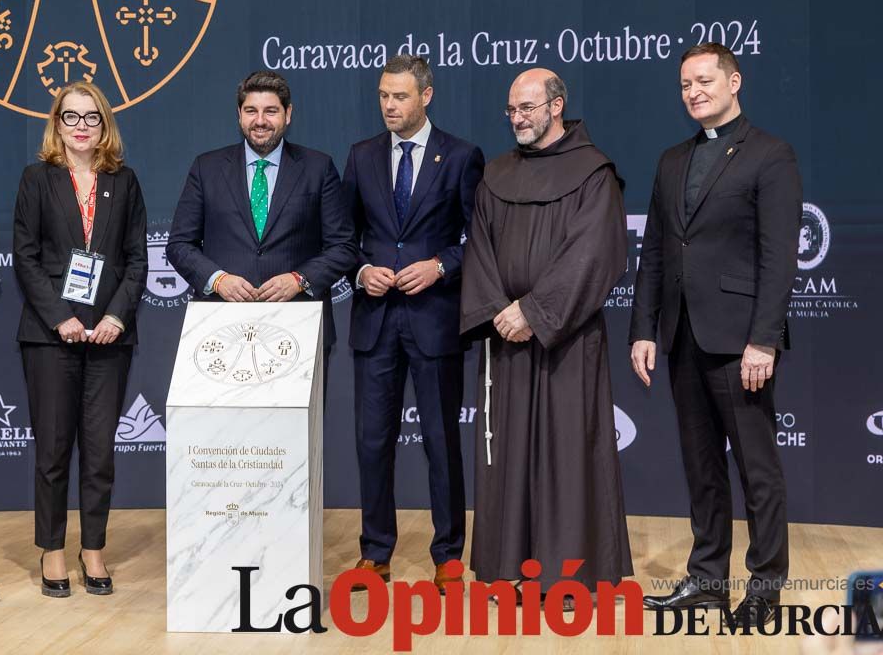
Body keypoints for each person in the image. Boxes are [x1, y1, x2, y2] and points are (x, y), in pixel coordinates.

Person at [631, 43, 801, 625]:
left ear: (735, 82)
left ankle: (765, 585)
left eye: (704, 80)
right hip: (681, 335)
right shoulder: (671, 159)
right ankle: (707, 579)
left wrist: (764, 339)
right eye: (684, 84)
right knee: (700, 467)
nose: (693, 92)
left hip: (739, 340)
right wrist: (643, 329)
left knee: (757, 468)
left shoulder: (771, 155)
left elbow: (779, 259)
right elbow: (653, 251)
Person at [460, 69, 633, 606]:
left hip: (567, 339)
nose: (517, 118)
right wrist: (499, 311)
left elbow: (594, 254)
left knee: (567, 455)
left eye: (528, 108)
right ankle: (508, 570)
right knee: (505, 457)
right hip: (506, 339)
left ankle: (566, 578)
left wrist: (536, 311)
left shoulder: (593, 172)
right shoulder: (496, 173)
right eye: (511, 110)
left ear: (556, 106)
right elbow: (479, 251)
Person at [341, 55, 484, 593]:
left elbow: (479, 239)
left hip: (435, 318)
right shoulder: (361, 156)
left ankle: (448, 554)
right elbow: (343, 237)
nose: (389, 106)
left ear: (426, 96)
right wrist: (361, 270)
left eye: (399, 97)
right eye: (383, 96)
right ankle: (375, 553)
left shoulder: (463, 156)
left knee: (442, 441)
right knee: (371, 441)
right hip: (375, 320)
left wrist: (442, 265)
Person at [13, 81, 148, 598]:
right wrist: (59, 318)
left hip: (110, 336)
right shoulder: (36, 179)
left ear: (105, 124)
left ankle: (93, 547)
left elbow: (137, 259)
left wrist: (115, 316)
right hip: (52, 338)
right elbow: (25, 256)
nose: (82, 127)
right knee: (52, 451)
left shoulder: (124, 181)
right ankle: (52, 549)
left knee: (99, 453)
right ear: (57, 124)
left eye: (92, 118)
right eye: (71, 117)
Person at [166, 70, 356, 370]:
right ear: (239, 115)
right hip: (221, 327)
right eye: (251, 111)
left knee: (297, 419)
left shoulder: (318, 168)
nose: (260, 121)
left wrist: (299, 279)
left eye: (271, 111)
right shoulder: (207, 168)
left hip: (299, 326)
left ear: (288, 114)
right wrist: (219, 280)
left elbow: (343, 246)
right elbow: (179, 244)